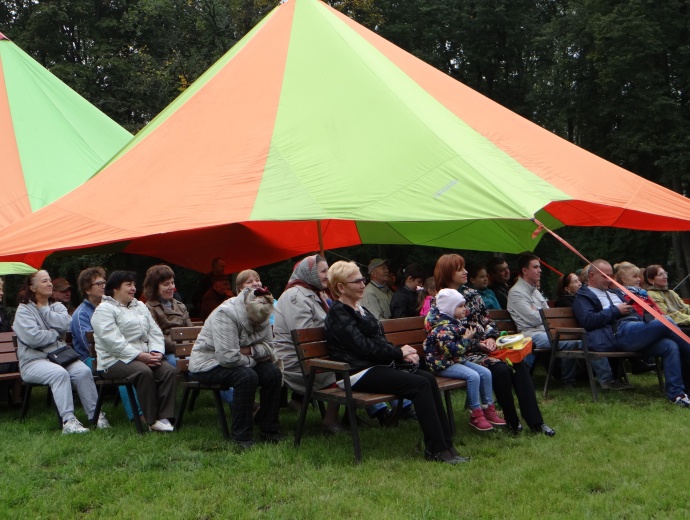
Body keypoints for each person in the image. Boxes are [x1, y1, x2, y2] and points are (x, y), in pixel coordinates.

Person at [324, 261, 468, 464]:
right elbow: (363, 347)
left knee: (427, 378)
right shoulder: (339, 313)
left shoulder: (359, 309)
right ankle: (436, 450)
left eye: (362, 279)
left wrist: (403, 353)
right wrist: (397, 353)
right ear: (340, 287)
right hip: (356, 373)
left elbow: (378, 341)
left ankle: (446, 444)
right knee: (418, 385)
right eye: (356, 281)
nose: (362, 284)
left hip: (376, 367)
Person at [434, 254, 555, 435]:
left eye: (464, 267)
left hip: (487, 348)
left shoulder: (472, 294)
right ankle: (512, 422)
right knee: (501, 370)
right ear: (447, 272)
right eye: (460, 269)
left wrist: (491, 337)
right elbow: (450, 335)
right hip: (462, 354)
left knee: (517, 364)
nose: (466, 272)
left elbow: (487, 321)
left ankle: (536, 422)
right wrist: (478, 343)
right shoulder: (440, 300)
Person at [573, 259, 690, 407]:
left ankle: (677, 395)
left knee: (669, 345)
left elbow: (633, 312)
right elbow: (588, 321)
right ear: (591, 276)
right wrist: (616, 311)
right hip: (617, 334)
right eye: (605, 275)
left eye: (610, 275)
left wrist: (644, 318)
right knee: (665, 321)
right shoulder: (583, 296)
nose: (609, 279)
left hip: (635, 329)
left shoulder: (613, 292)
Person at [13, 270, 107, 434]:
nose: (49, 284)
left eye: (49, 280)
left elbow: (66, 325)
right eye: (44, 281)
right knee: (59, 374)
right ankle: (69, 422)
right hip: (33, 362)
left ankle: (96, 415)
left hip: (60, 357)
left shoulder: (57, 306)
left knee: (83, 371)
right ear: (32, 287)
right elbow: (33, 338)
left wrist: (44, 311)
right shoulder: (24, 310)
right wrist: (55, 334)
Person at [189, 287, 283, 448]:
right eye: (254, 322)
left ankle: (270, 430)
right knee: (246, 377)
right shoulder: (226, 314)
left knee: (272, 373)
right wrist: (255, 358)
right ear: (247, 311)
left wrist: (249, 351)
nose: (258, 325)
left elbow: (269, 346)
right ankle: (242, 437)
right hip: (207, 363)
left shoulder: (263, 308)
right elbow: (228, 358)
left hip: (240, 359)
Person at [507, 253, 617, 389]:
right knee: (580, 341)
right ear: (524, 270)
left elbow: (548, 315)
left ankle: (569, 381)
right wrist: (542, 314)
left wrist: (538, 311)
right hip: (530, 335)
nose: (540, 270)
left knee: (586, 338)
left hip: (546, 331)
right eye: (535, 267)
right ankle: (605, 381)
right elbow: (535, 319)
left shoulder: (534, 291)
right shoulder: (517, 292)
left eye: (539, 267)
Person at [92, 270, 177, 432]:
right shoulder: (104, 310)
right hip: (113, 361)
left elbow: (155, 332)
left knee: (168, 370)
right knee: (143, 372)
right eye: (128, 285)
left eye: (134, 285)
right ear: (115, 288)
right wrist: (139, 356)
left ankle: (164, 418)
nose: (133, 288)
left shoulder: (139, 306)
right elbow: (112, 341)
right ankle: (151, 421)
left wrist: (156, 351)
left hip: (143, 356)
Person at [273, 255, 343, 433]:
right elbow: (305, 337)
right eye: (322, 271)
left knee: (355, 364)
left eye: (328, 270)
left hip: (314, 353)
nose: (328, 275)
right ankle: (330, 421)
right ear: (309, 273)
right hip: (296, 361)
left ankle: (349, 416)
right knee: (347, 371)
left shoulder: (314, 293)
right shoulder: (295, 296)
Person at [424, 288, 506, 431]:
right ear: (450, 308)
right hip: (442, 364)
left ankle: (488, 409)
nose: (465, 309)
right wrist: (467, 340)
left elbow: (461, 347)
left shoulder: (454, 323)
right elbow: (451, 350)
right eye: (460, 306)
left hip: (455, 360)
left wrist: (477, 343)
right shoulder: (442, 328)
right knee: (473, 376)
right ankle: (475, 413)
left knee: (485, 373)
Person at [144, 264, 193, 366]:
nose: (172, 287)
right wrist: (183, 346)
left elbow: (191, 331)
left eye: (172, 283)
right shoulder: (149, 308)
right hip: (167, 353)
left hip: (188, 350)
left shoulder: (180, 306)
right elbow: (158, 336)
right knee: (193, 365)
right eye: (166, 284)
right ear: (154, 287)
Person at [0, 276, 22, 406]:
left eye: (2, 289)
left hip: (6, 356)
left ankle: (16, 400)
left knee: (21, 360)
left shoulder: (2, 312)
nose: (2, 293)